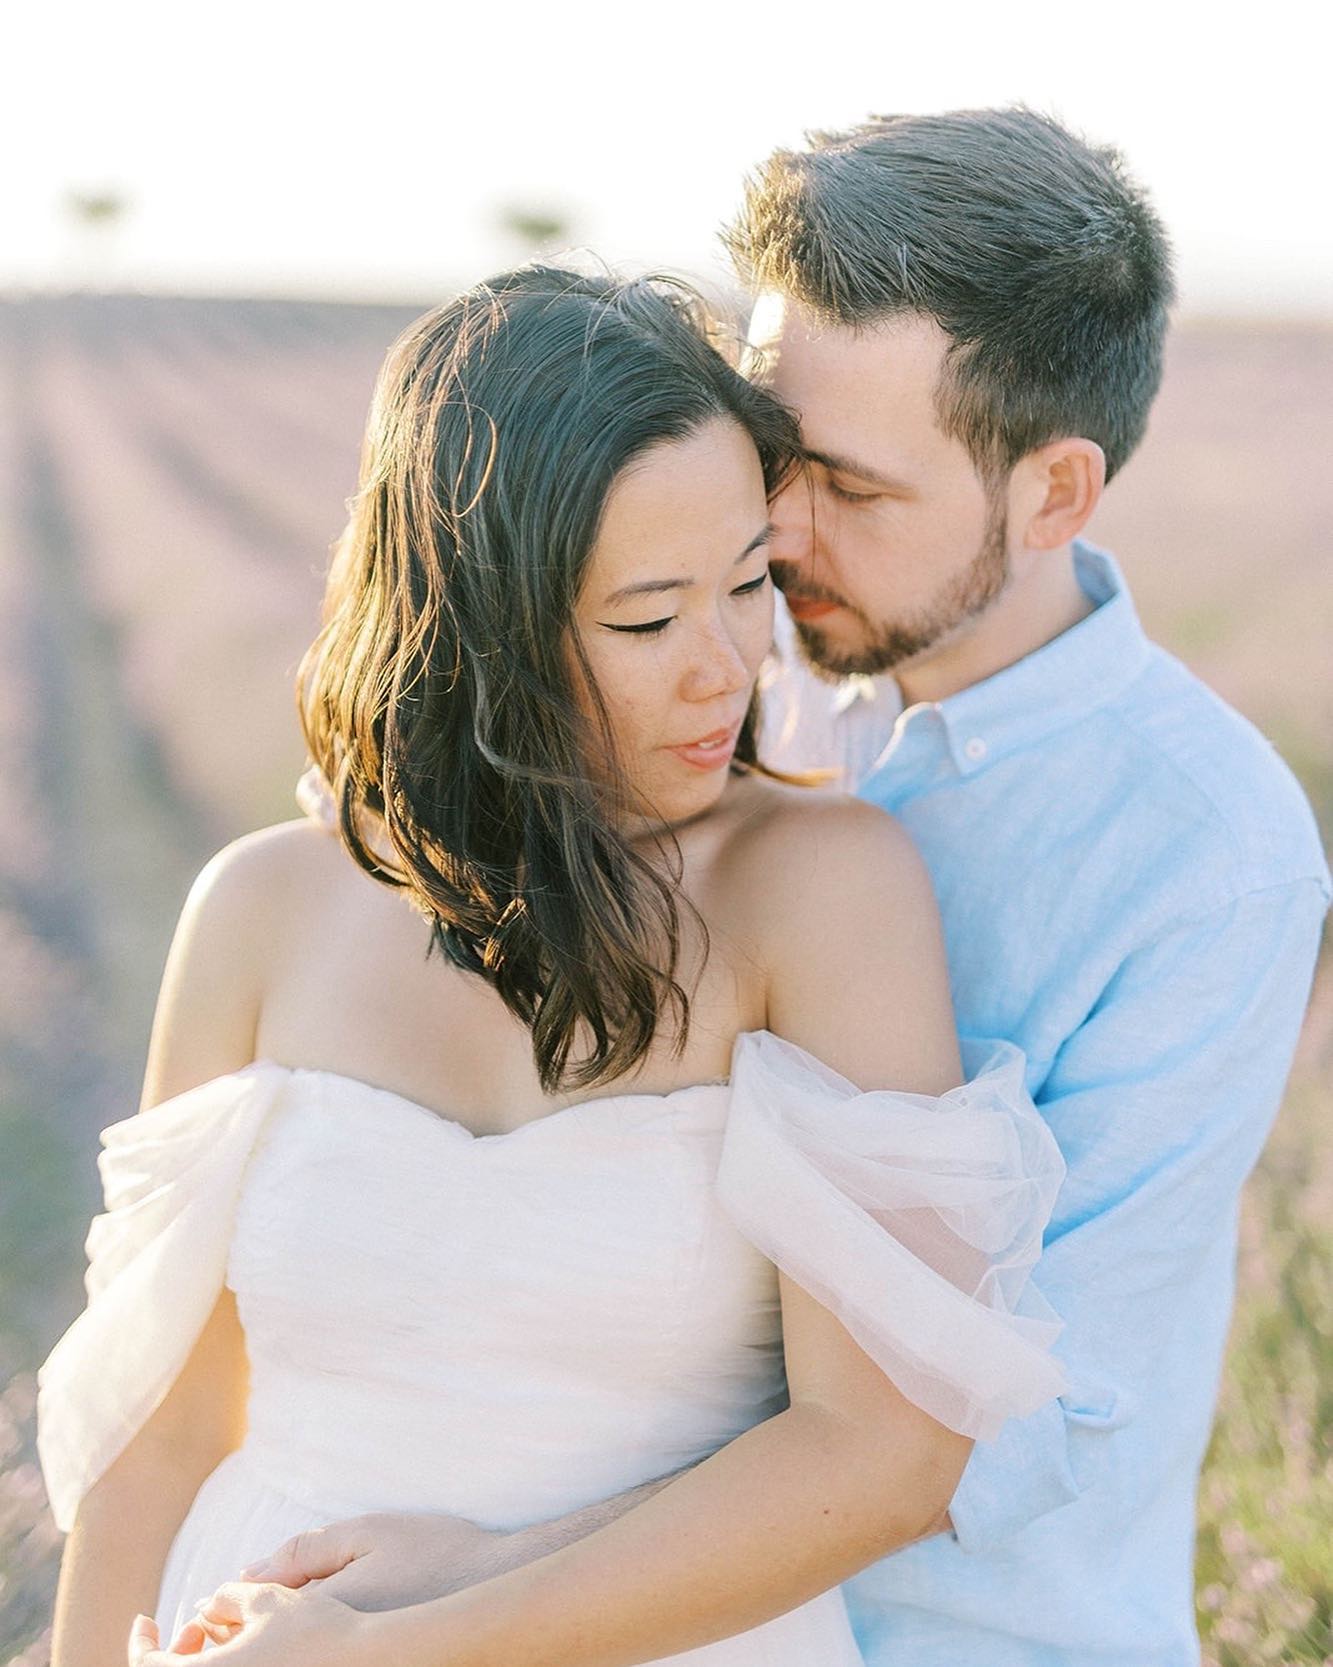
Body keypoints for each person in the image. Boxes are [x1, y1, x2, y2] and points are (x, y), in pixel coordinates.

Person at [167, 110, 1331, 1667]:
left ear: (1051, 495)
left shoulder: (1201, 850)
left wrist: (482, 1573)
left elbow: (1000, 1408)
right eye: (774, 457)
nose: (773, 531)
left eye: (847, 486)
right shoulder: (719, 669)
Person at [37, 264, 1069, 1667]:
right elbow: (153, 1447)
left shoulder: (819, 892)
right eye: (647, 620)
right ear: (480, 630)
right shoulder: (261, 909)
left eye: (749, 583)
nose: (729, 667)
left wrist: (389, 1652)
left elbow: (887, 1455)